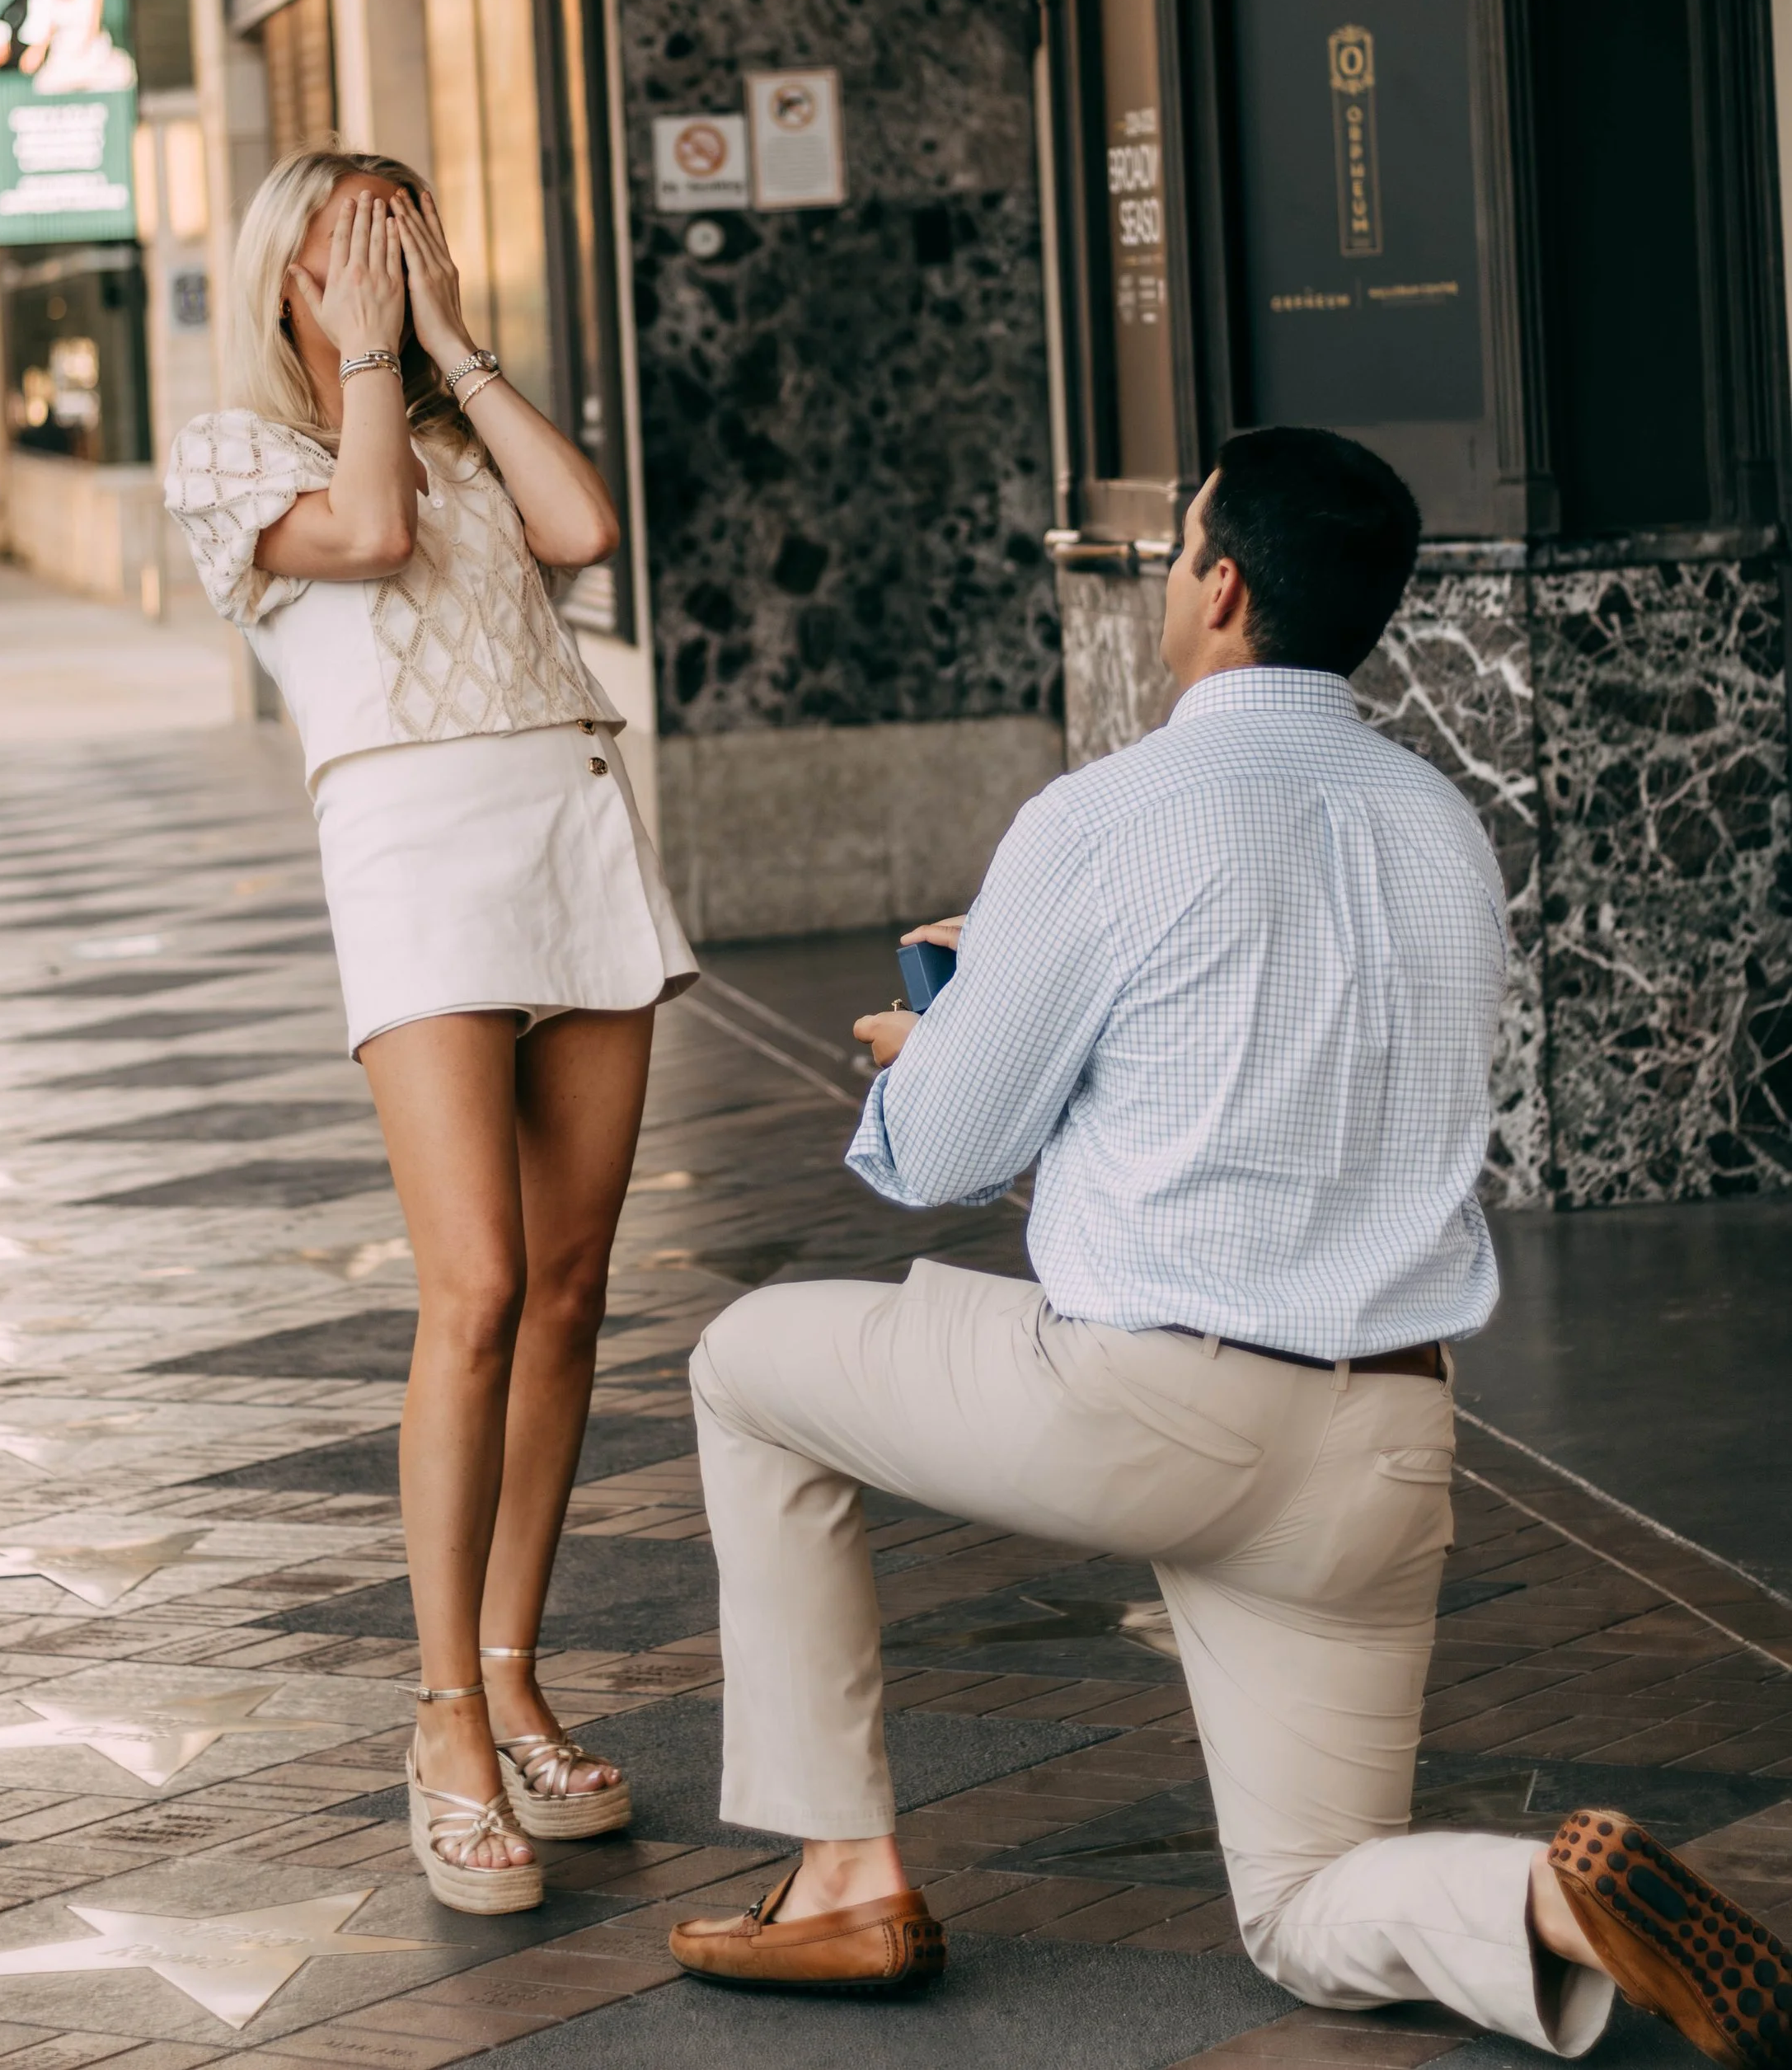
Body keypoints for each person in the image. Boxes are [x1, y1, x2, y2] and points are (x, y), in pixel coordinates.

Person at [669, 425, 1792, 2066]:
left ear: (1219, 582)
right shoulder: (1437, 832)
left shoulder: (1100, 819)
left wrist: (944, 1040)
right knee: (1301, 1910)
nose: (1161, 575)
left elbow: (953, 1149)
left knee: (741, 1369)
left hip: (1148, 1410)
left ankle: (840, 1873)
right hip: (1388, 1443)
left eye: (1174, 543)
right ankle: (1545, 1909)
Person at [166, 148, 696, 1920]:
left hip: (565, 823)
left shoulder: (461, 423)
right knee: (468, 1288)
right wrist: (368, 360)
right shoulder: (238, 457)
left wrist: (454, 344)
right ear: (284, 269)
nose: (392, 253)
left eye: (414, 223)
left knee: (566, 1287)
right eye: (354, 232)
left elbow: (584, 530)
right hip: (410, 857)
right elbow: (371, 535)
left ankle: (520, 1665)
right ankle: (442, 1715)